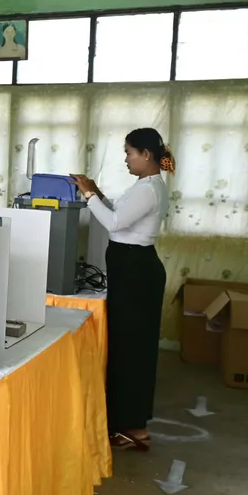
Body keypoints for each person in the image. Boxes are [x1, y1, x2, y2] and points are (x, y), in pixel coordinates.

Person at [73, 128, 173, 453]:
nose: (126, 158)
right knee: (128, 347)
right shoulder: (147, 185)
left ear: (146, 155)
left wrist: (89, 197)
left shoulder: (150, 188)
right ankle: (129, 424)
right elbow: (119, 212)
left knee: (132, 351)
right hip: (133, 271)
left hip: (137, 274)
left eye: (129, 152)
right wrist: (98, 192)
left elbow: (115, 223)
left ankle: (133, 428)